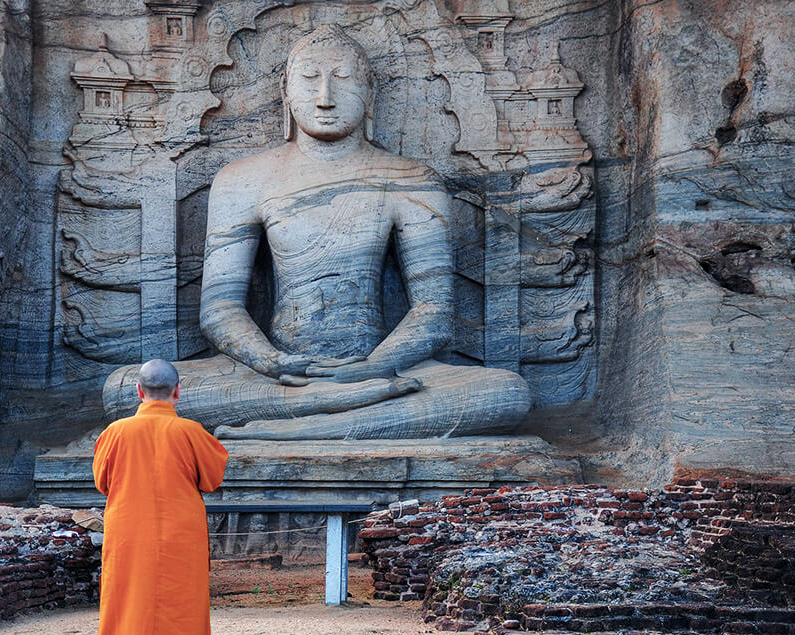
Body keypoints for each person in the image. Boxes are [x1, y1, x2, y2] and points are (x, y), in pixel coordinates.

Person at [102, 24, 531, 440]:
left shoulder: (410, 179)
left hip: (382, 368)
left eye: (342, 80)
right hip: (276, 376)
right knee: (125, 390)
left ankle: (309, 423)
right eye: (309, 80)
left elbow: (434, 315)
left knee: (505, 394)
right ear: (286, 95)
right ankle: (345, 410)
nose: (325, 97)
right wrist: (270, 361)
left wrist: (371, 367)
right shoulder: (242, 179)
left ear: (370, 96)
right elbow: (219, 311)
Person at [87, 359, 229, 635]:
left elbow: (103, 482)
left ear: (138, 392)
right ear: (177, 391)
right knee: (181, 619)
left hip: (128, 537)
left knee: (126, 616)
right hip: (180, 541)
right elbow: (213, 479)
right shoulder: (191, 432)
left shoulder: (115, 432)